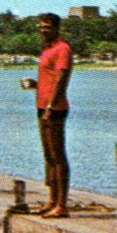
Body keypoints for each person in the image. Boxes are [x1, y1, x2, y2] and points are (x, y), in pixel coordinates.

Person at [32, 13, 74, 218]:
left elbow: (62, 79)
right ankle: (52, 200)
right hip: (42, 106)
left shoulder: (63, 49)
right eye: (41, 27)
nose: (43, 31)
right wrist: (36, 85)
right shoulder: (47, 50)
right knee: (48, 156)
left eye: (47, 27)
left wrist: (51, 106)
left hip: (55, 109)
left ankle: (62, 204)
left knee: (58, 156)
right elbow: (49, 79)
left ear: (57, 28)